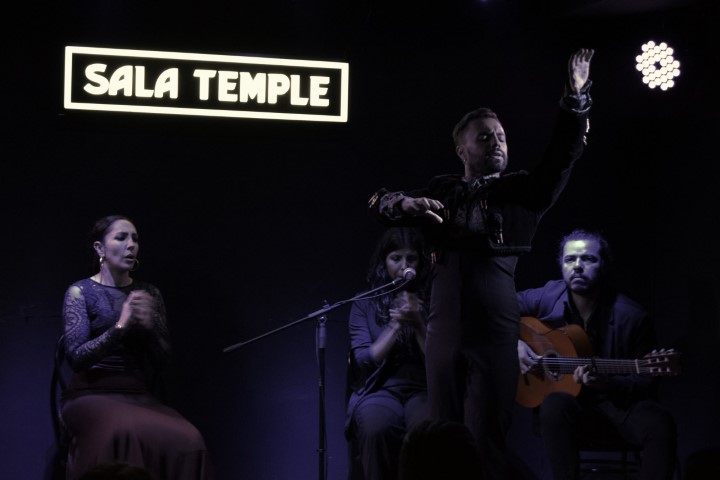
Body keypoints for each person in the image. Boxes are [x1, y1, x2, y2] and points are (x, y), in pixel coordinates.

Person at [367, 48, 595, 479]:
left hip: (494, 327)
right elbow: (379, 204)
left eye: (502, 136)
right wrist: (406, 203)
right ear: (461, 148)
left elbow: (562, 156)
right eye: (484, 136)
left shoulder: (521, 193)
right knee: (441, 437)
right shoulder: (442, 189)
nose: (497, 142)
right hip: (444, 326)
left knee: (485, 440)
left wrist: (575, 99)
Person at [516, 228, 678, 480]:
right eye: (570, 259)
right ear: (561, 264)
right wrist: (516, 344)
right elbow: (498, 309)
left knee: (660, 422)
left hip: (618, 408)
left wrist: (608, 382)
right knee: (554, 405)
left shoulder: (633, 317)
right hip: (568, 412)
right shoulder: (547, 297)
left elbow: (648, 382)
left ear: (604, 264)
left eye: (588, 259)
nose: (577, 266)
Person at [60, 214, 213, 480]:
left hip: (137, 393)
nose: (131, 244)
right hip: (90, 394)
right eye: (121, 237)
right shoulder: (79, 292)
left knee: (190, 438)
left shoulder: (149, 293)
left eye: (135, 239)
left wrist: (150, 328)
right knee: (120, 430)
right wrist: (121, 326)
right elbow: (76, 358)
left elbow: (163, 361)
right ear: (100, 248)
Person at [345, 227, 432, 480]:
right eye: (396, 258)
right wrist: (395, 326)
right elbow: (364, 360)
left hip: (423, 387)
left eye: (411, 258)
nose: (405, 266)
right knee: (375, 427)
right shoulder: (364, 303)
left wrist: (417, 322)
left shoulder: (434, 297)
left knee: (426, 430)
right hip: (379, 388)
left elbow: (437, 361)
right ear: (384, 261)